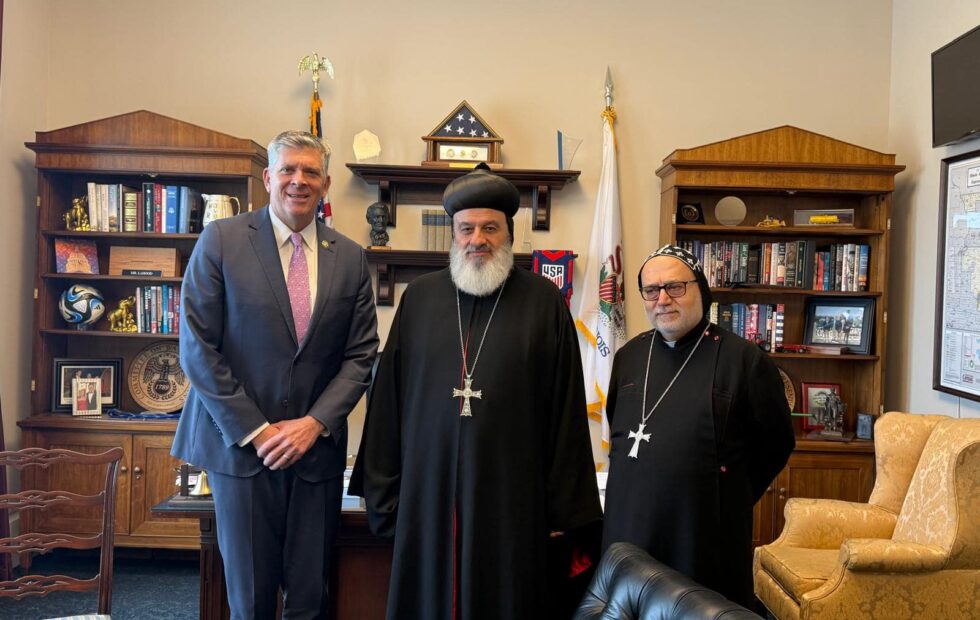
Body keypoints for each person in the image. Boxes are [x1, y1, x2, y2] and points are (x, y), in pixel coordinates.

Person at [351, 164, 602, 620]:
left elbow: (564, 410)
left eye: (490, 228)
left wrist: (562, 511)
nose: (477, 239)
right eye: (466, 229)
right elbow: (387, 399)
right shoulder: (421, 299)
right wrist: (384, 493)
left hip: (512, 500)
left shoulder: (543, 302)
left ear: (508, 232)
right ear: (453, 233)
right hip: (428, 496)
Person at [172, 130, 379, 619]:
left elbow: (362, 354)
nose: (298, 181)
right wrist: (257, 429)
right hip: (241, 451)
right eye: (288, 169)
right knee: (251, 600)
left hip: (316, 455)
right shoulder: (221, 241)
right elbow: (197, 348)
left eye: (310, 172)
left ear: (326, 183)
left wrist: (314, 424)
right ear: (268, 177)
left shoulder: (349, 257)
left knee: (310, 598)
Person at [601, 245, 795, 609]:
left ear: (701, 290)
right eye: (651, 290)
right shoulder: (629, 357)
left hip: (703, 535)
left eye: (675, 287)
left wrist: (726, 494)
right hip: (629, 529)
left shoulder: (744, 360)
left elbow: (776, 445)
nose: (662, 299)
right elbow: (619, 430)